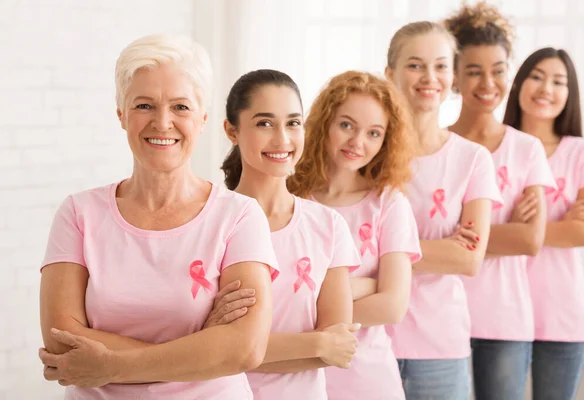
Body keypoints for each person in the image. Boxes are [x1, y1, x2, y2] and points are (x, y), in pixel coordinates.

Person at [38, 34, 278, 399]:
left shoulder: (240, 217)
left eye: (180, 107)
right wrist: (200, 347)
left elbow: (244, 349)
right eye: (144, 106)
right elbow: (60, 340)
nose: (162, 122)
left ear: (202, 118)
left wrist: (110, 365)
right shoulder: (78, 213)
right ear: (121, 114)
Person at [212, 68, 361, 400]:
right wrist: (315, 342)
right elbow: (200, 348)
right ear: (231, 131)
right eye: (265, 123)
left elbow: (337, 349)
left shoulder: (328, 226)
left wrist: (233, 348)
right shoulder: (209, 221)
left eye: (293, 123)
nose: (282, 139)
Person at [443, 3, 557, 398]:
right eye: (474, 71)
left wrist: (459, 238)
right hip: (438, 318)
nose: (487, 82)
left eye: (498, 70)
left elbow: (530, 241)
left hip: (506, 321)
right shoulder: (437, 147)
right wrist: (500, 233)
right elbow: (415, 237)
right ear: (454, 76)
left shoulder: (526, 149)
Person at [384, 21, 503, 399]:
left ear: (451, 77)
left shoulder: (472, 159)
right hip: (368, 343)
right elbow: (348, 251)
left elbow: (468, 260)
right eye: (415, 65)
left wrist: (385, 250)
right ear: (390, 74)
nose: (429, 77)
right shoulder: (366, 154)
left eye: (440, 66)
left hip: (441, 348)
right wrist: (439, 249)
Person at [288, 70, 422, 400]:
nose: (358, 143)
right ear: (324, 123)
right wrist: (365, 286)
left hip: (367, 380)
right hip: (293, 378)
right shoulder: (290, 198)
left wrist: (310, 306)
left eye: (374, 133)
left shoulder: (389, 204)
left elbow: (392, 306)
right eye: (346, 125)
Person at [504, 47, 584, 400]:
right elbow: (478, 233)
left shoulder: (581, 153)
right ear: (518, 84)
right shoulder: (497, 147)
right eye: (537, 77)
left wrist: (517, 230)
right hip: (501, 312)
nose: (547, 88)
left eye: (559, 82)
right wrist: (554, 228)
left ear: (569, 94)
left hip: (564, 314)